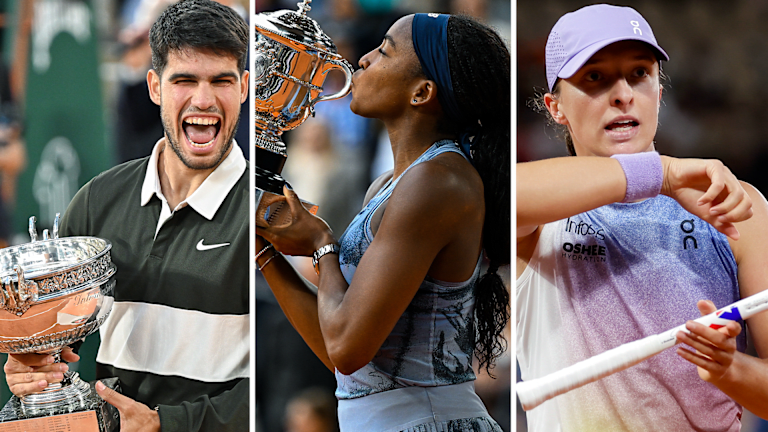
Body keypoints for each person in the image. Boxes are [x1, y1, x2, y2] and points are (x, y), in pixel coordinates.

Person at [517, 4, 768, 431]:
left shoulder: (736, 206)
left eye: (639, 74)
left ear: (659, 93)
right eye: (594, 77)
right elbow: (505, 194)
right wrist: (663, 174)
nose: (623, 94)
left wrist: (728, 367)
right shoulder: (544, 207)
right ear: (555, 107)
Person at [2, 0, 250, 430]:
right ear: (154, 86)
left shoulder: (268, 212)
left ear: (245, 87)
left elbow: (283, 378)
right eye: (185, 80)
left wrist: (165, 424)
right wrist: (31, 364)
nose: (204, 99)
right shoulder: (99, 198)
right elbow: (55, 339)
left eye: (221, 81)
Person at [257, 12, 510, 431]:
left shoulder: (437, 180)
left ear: (422, 92)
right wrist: (263, 250)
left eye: (384, 51)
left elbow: (345, 345)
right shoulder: (389, 186)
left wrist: (323, 244)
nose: (364, 59)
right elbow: (341, 354)